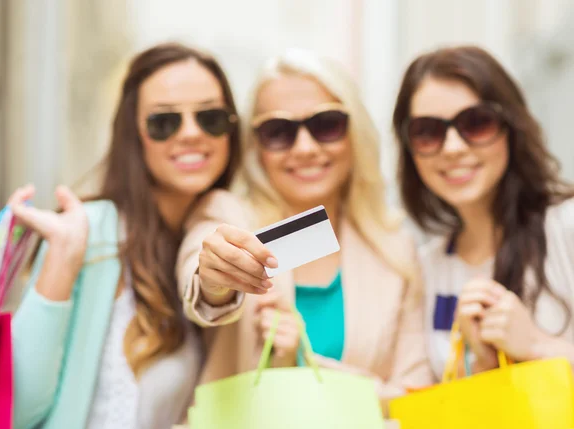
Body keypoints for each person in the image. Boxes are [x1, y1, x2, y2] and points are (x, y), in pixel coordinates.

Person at [8, 42, 267, 429]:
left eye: (210, 117)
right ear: (135, 135)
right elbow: (17, 406)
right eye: (164, 122)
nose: (192, 134)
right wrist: (61, 258)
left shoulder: (225, 234)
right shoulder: (89, 230)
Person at [197, 49, 433, 415]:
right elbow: (198, 281)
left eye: (326, 125)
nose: (305, 148)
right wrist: (213, 281)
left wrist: (307, 365)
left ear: (355, 134)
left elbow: (414, 399)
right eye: (278, 132)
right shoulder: (227, 218)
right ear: (256, 147)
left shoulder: (395, 252)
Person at [392, 45, 574, 380]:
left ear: (511, 127)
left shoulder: (566, 228)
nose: (453, 147)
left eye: (476, 123)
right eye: (428, 131)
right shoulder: (427, 267)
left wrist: (537, 345)